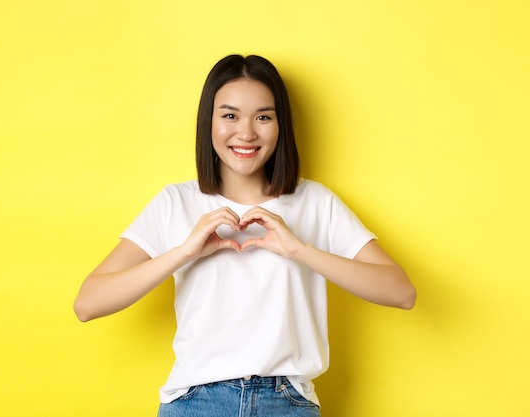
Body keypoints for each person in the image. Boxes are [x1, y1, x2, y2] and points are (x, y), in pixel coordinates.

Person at [73, 54, 416, 417]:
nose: (247, 133)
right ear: (209, 122)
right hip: (195, 403)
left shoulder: (315, 202)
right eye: (230, 115)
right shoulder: (176, 202)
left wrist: (299, 250)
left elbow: (401, 292)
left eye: (263, 117)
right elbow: (88, 303)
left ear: (280, 125)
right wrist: (183, 252)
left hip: (287, 403)